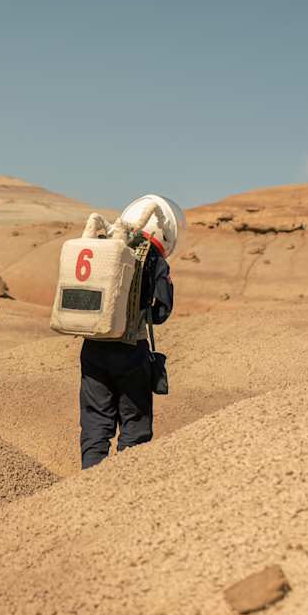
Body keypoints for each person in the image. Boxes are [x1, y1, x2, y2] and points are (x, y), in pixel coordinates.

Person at [79, 196, 179, 469]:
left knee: (95, 425)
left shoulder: (102, 246)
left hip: (93, 347)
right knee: (135, 427)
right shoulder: (153, 257)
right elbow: (161, 312)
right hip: (131, 350)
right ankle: (125, 484)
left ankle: (86, 485)